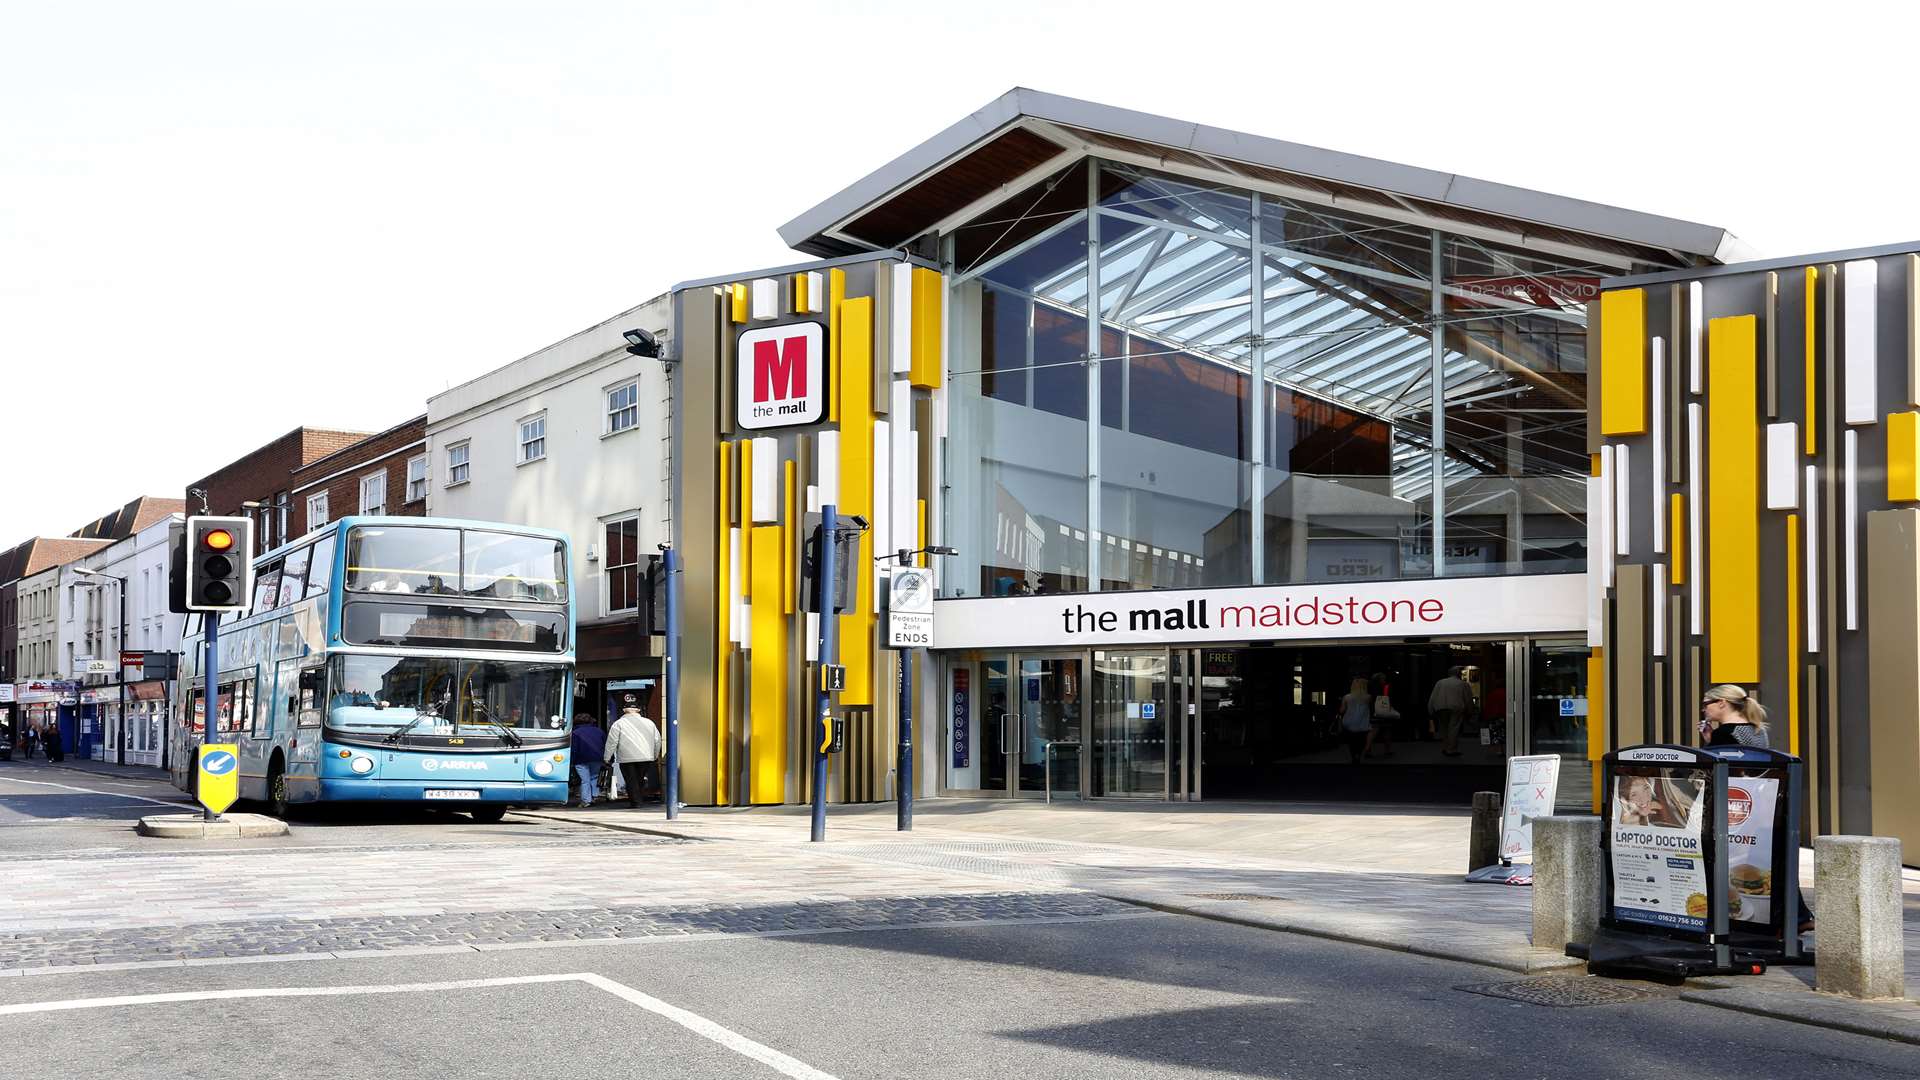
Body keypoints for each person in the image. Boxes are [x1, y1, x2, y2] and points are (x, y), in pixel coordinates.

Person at [604, 694, 662, 809]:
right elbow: (657, 740)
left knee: (631, 780)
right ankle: (639, 798)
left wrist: (607, 758)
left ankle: (636, 802)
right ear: (638, 710)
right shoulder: (649, 723)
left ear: (624, 711)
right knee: (640, 778)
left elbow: (611, 742)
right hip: (646, 757)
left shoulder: (618, 724)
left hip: (626, 758)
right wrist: (655, 755)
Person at [1700, 684, 1770, 748]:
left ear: (1721, 703)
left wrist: (1712, 743)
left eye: (1706, 704)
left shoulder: (1723, 733)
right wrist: (1711, 740)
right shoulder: (1759, 729)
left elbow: (1718, 760)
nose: (1703, 710)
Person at [1428, 666, 1476, 757]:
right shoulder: (1462, 684)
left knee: (1444, 728)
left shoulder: (1440, 682)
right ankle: (1452, 749)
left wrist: (1431, 709)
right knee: (1454, 728)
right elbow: (1468, 699)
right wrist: (1470, 711)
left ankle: (1445, 747)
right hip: (1456, 708)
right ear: (1458, 673)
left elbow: (1433, 697)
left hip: (1440, 707)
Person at [569, 714, 604, 806]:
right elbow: (604, 744)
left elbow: (574, 748)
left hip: (581, 759)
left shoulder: (575, 733)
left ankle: (586, 800)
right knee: (594, 777)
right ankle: (593, 796)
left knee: (585, 780)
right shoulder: (599, 731)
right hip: (597, 758)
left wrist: (572, 760)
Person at [1337, 677, 1373, 764]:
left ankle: (1354, 756)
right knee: (1361, 740)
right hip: (1363, 723)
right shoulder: (1368, 697)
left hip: (1349, 722)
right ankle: (1359, 755)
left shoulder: (1347, 697)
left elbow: (1342, 710)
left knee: (1351, 741)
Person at [1366, 671, 1397, 758]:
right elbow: (1390, 699)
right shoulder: (1386, 687)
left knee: (1373, 730)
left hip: (1374, 711)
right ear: (1381, 679)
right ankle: (1387, 750)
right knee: (1387, 730)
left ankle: (1367, 749)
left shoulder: (1369, 687)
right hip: (1385, 711)